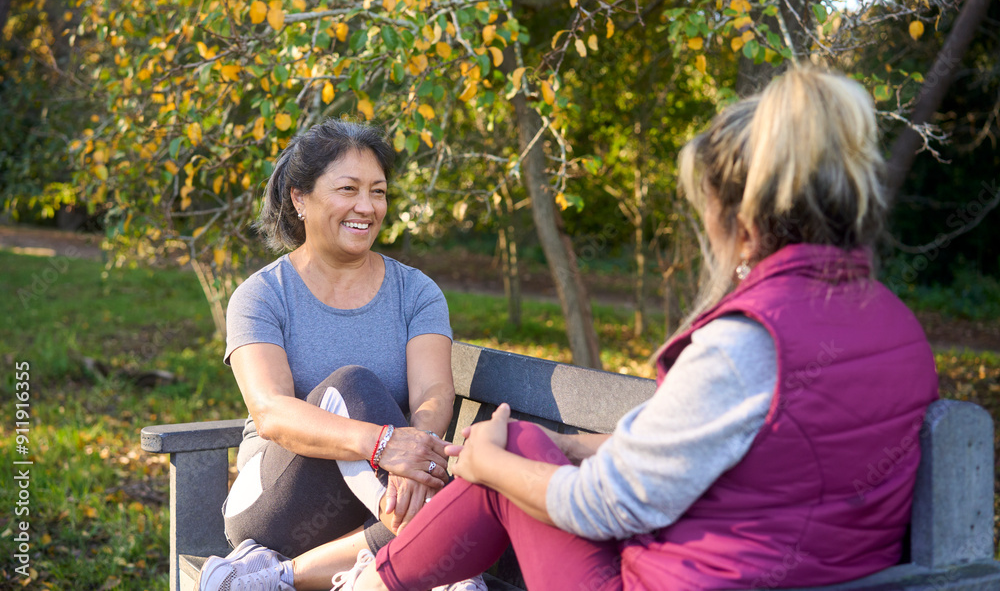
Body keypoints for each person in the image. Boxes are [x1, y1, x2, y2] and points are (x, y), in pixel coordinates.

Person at [336, 66, 940, 591]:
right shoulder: (893, 323)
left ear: (740, 217)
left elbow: (603, 507)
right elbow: (733, 451)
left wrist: (493, 464)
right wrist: (566, 445)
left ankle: (370, 583)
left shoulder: (749, 340)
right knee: (526, 442)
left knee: (514, 448)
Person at [195, 120, 485, 591]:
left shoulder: (416, 292)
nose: (367, 207)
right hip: (277, 505)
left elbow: (433, 392)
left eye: (379, 192)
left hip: (378, 500)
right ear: (299, 198)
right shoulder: (262, 296)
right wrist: (385, 444)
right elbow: (271, 413)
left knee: (464, 487)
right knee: (353, 385)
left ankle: (274, 577)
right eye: (348, 189)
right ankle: (447, 571)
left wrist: (415, 454)